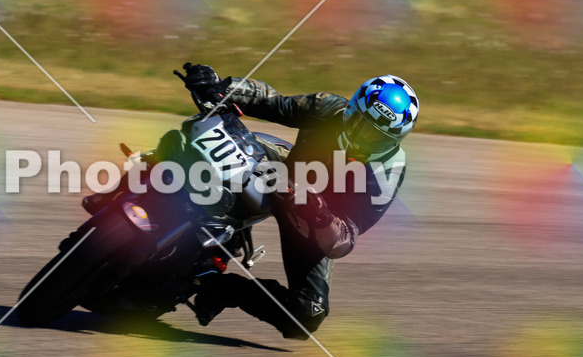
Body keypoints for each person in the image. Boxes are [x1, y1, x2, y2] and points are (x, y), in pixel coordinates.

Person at [179, 63, 419, 340]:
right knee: (210, 138)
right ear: (351, 111)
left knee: (308, 314)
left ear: (396, 140)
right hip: (282, 168)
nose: (365, 141)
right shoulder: (330, 109)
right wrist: (220, 86)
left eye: (378, 138)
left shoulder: (388, 171)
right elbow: (270, 101)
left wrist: (319, 215)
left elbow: (345, 239)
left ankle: (223, 288)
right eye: (361, 127)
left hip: (313, 222)